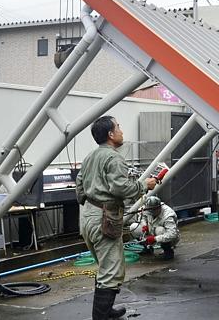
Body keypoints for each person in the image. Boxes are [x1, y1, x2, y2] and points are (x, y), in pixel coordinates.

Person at [76, 115, 157, 320]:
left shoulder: (90, 157)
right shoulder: (113, 158)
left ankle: (107, 311)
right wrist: (143, 185)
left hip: (88, 216)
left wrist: (92, 201)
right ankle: (101, 316)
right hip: (105, 218)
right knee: (111, 270)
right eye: (118, 127)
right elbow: (120, 188)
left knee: (105, 267)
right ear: (111, 134)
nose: (121, 131)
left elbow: (79, 185)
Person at [128, 196, 180, 260]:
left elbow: (172, 234)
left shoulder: (168, 215)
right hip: (151, 229)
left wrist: (155, 239)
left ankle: (168, 250)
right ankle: (147, 248)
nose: (151, 213)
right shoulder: (147, 209)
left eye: (153, 211)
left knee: (160, 230)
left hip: (167, 236)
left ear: (159, 207)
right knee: (133, 227)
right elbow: (142, 216)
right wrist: (144, 225)